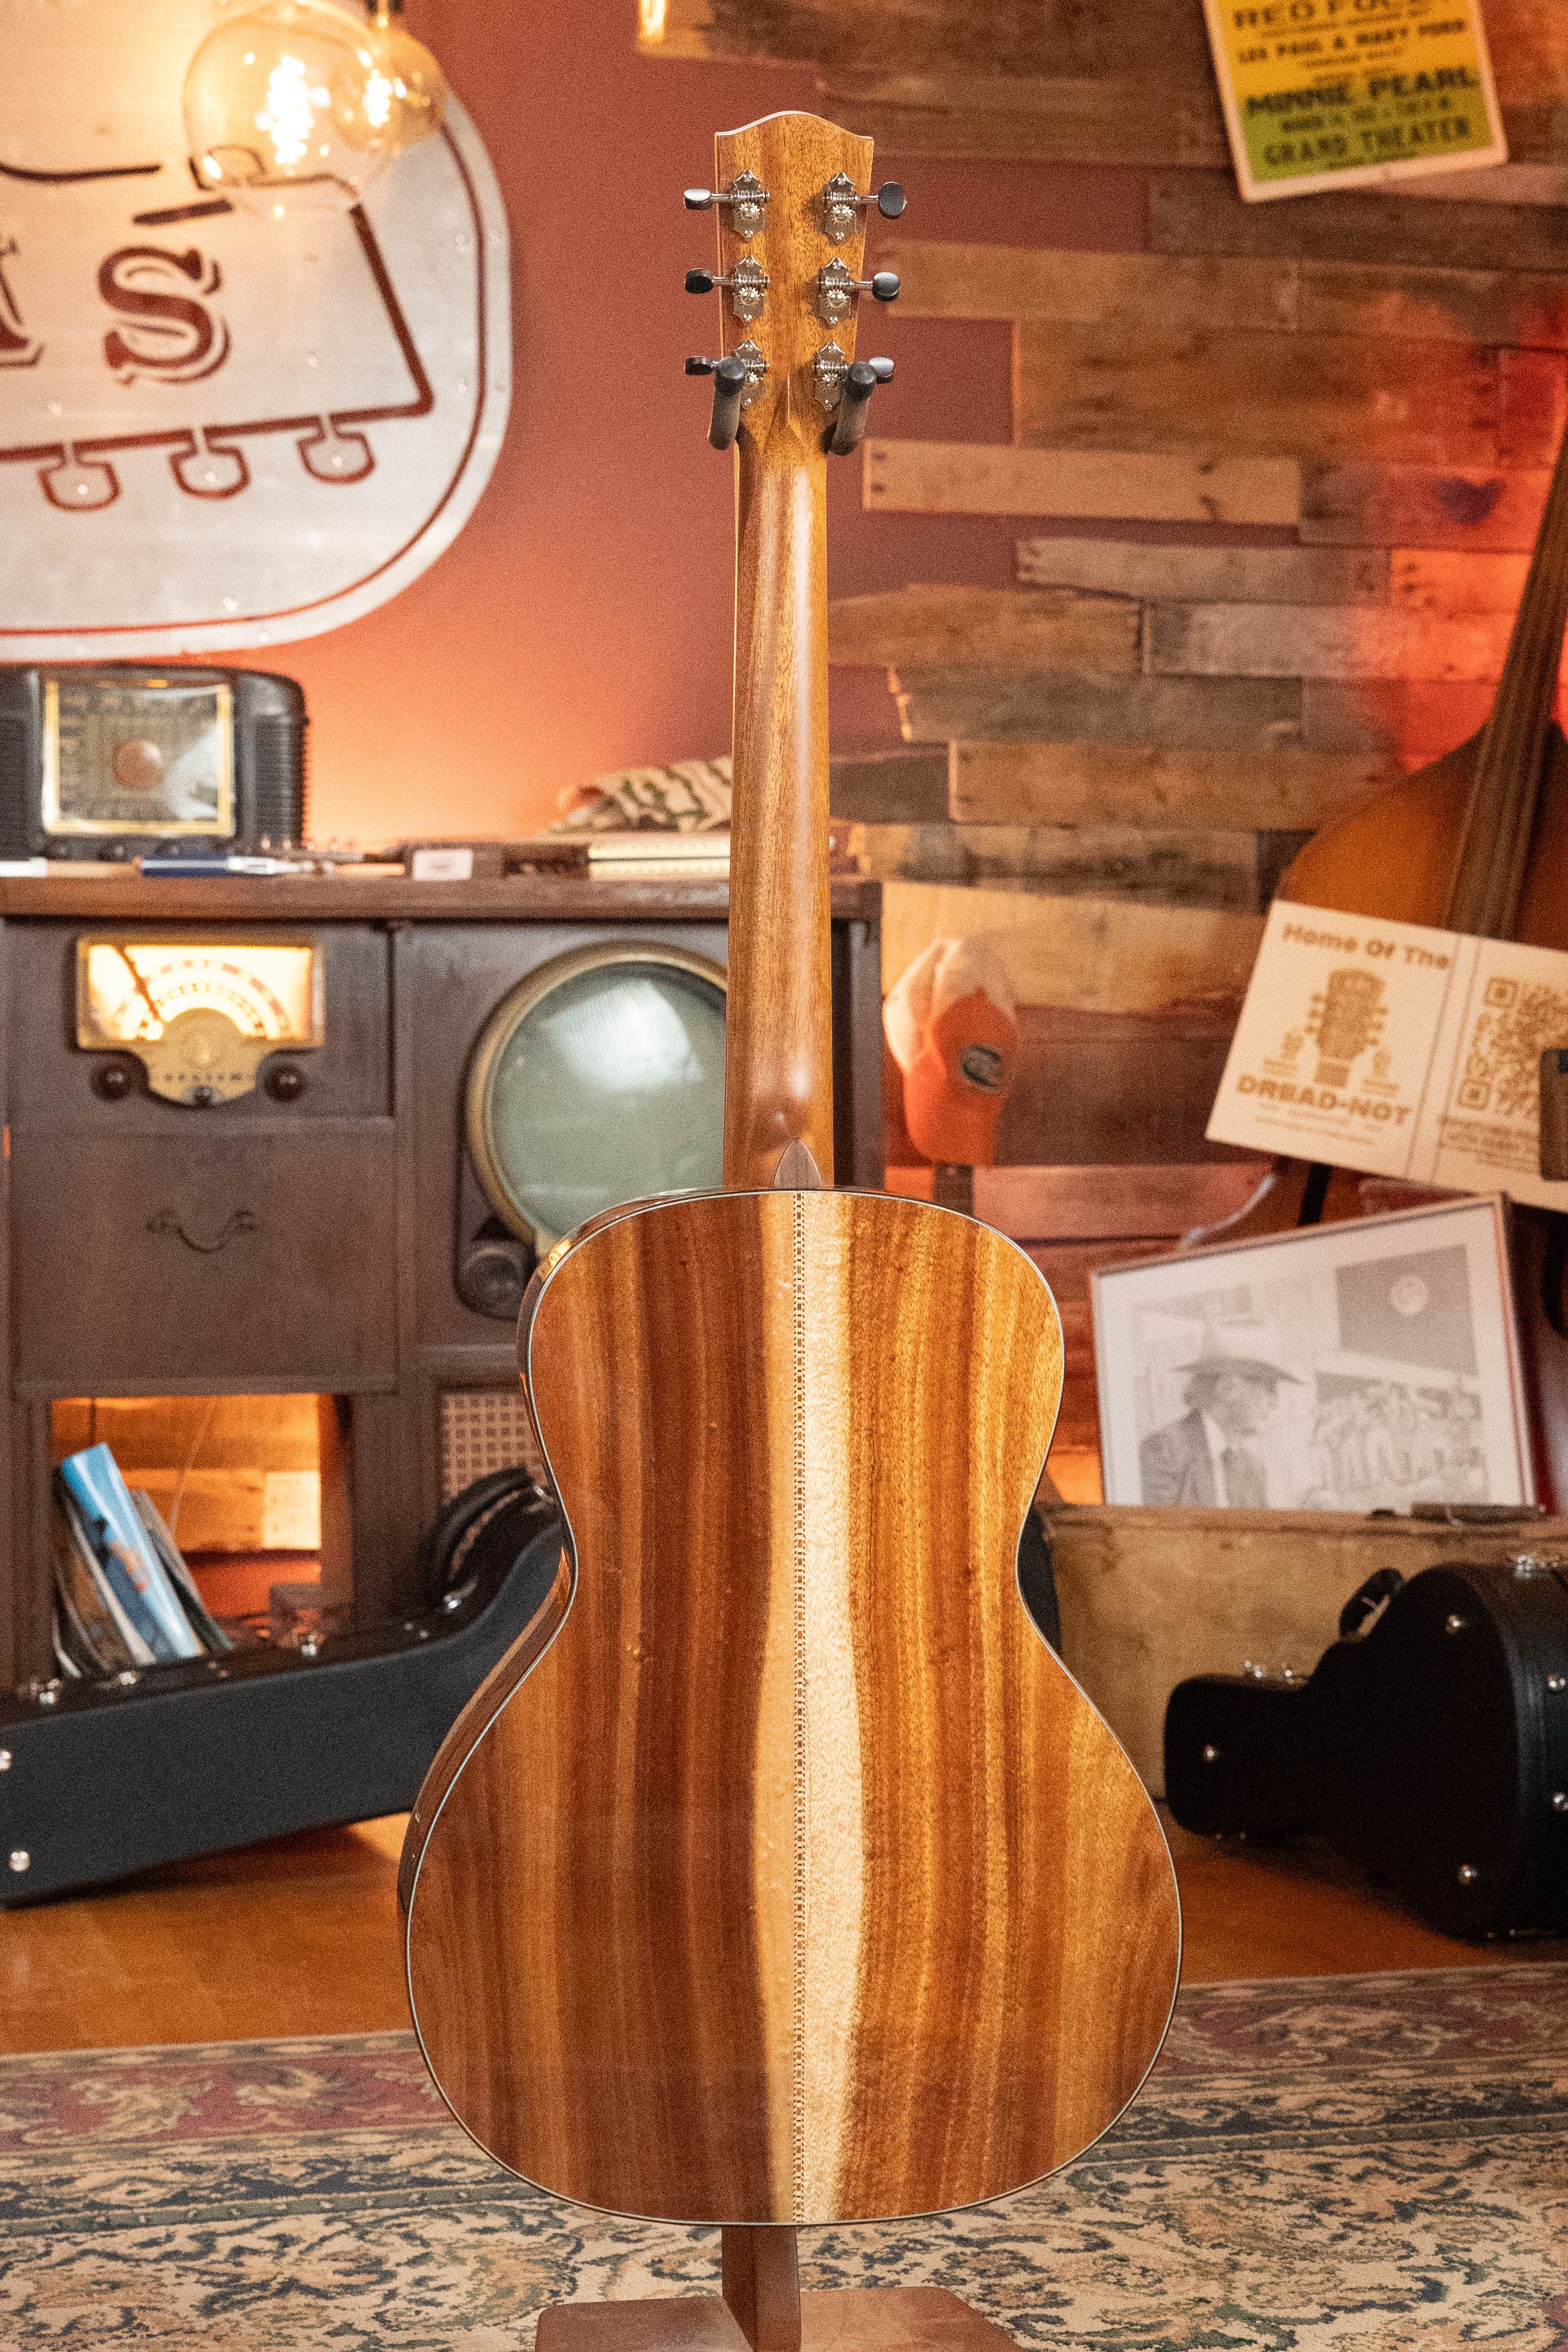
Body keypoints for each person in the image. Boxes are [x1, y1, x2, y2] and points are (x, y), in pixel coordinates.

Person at [1140, 1333, 1303, 1506]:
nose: (1275, 1403)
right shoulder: (1165, 1451)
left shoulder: (1253, 1469)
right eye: (1269, 1388)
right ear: (1227, 1387)